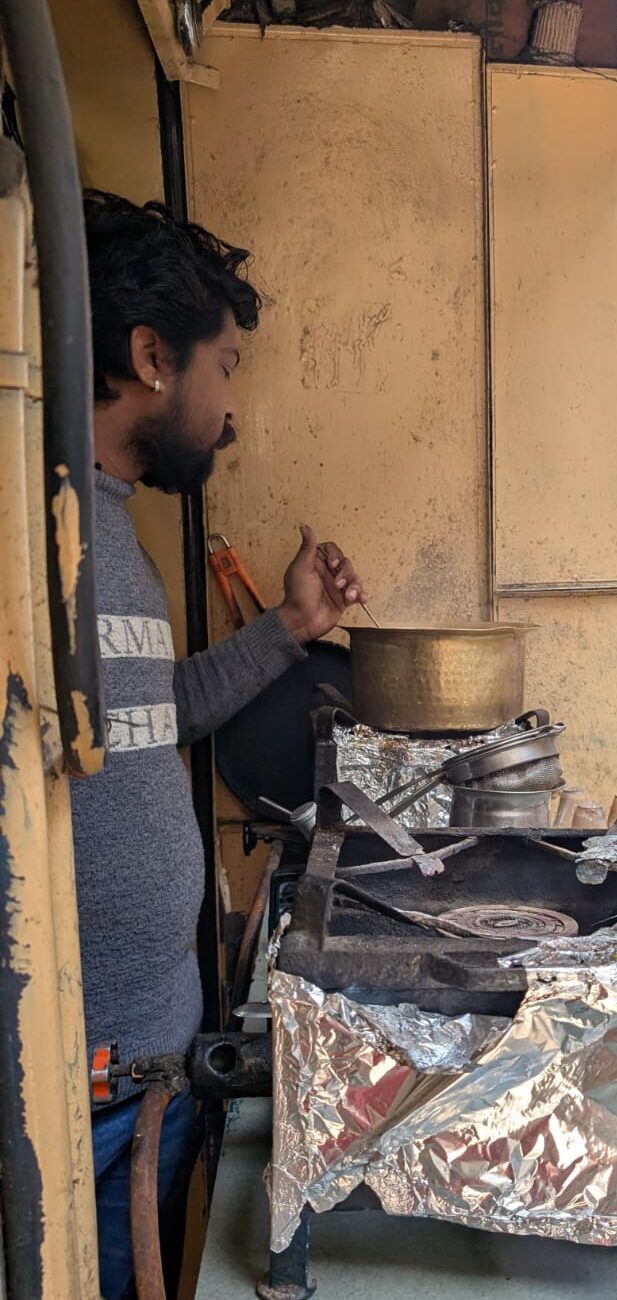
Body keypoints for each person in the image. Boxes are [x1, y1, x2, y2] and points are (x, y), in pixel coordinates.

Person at [76, 190, 367, 1299]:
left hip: (144, 1072)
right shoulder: (38, 535)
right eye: (228, 364)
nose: (232, 404)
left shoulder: (111, 531)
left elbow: (155, 712)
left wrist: (292, 628)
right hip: (76, 1092)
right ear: (152, 356)